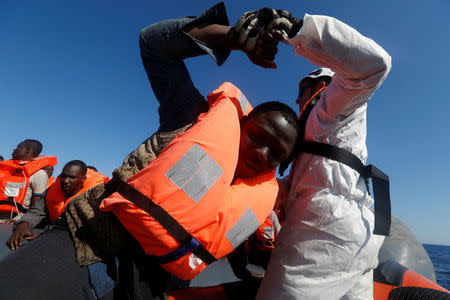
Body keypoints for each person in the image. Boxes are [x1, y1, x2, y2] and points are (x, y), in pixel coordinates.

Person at [0, 4, 300, 300]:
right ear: (243, 122)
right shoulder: (191, 116)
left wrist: (247, 276)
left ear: (282, 165)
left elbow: (224, 238)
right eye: (258, 136)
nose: (262, 153)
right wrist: (230, 37)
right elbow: (152, 43)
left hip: (153, 286)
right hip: (87, 244)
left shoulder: (255, 196)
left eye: (275, 153)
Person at [256, 11, 392, 300]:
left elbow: (376, 65)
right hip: (362, 236)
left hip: (324, 234)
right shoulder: (321, 133)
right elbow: (312, 184)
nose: (296, 99)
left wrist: (299, 29)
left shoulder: (334, 103)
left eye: (302, 88)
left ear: (322, 85)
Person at [0, 160, 107, 300]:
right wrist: (23, 223)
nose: (65, 181)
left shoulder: (99, 195)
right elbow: (37, 211)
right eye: (63, 176)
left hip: (81, 240)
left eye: (72, 177)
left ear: (83, 179)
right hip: (51, 232)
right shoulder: (52, 190)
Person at [0, 139, 56, 222]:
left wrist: (21, 221)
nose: (14, 149)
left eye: (18, 147)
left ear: (27, 151)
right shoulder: (6, 169)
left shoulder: (39, 174)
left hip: (15, 220)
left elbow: (36, 205)